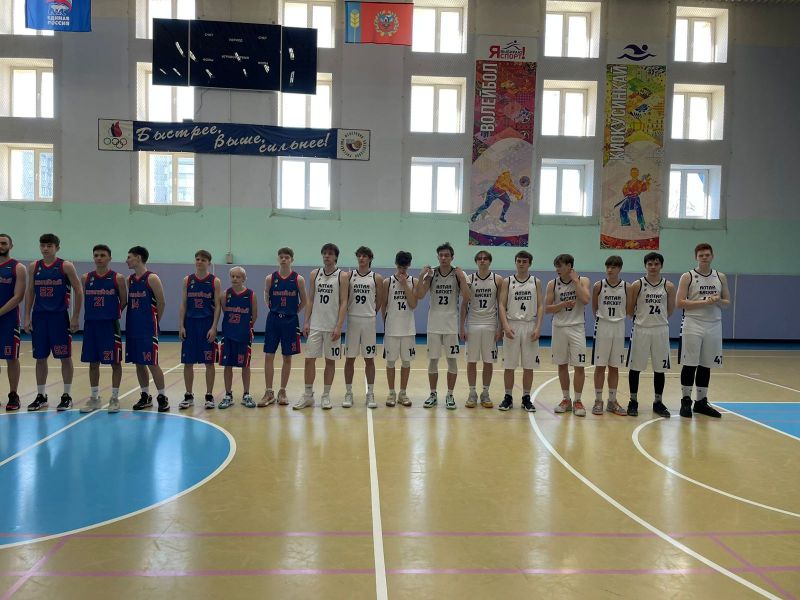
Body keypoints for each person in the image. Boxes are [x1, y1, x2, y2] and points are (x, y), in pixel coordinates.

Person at [23, 233, 83, 411]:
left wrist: (75, 316)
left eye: (49, 245)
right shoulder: (34, 266)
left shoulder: (65, 266)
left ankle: (66, 395)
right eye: (43, 245)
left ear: (57, 247)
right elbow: (30, 291)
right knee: (40, 357)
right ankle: (41, 395)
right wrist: (26, 316)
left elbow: (78, 290)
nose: (45, 249)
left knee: (65, 357)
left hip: (59, 317)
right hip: (39, 317)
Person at [415, 242, 472, 410]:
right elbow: (420, 295)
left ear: (452, 257)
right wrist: (421, 276)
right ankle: (433, 394)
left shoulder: (459, 274)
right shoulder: (432, 273)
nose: (444, 258)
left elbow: (467, 297)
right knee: (433, 360)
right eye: (441, 255)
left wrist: (462, 279)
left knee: (452, 361)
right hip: (433, 324)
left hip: (451, 326)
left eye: (447, 255)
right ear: (438, 257)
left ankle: (450, 395)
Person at [677, 243, 729, 419]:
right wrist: (704, 302)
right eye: (701, 255)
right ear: (696, 257)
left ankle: (700, 402)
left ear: (712, 256)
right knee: (690, 363)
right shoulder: (688, 276)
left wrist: (717, 300)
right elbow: (679, 303)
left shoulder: (720, 277)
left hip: (713, 324)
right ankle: (685, 400)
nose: (704, 258)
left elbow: (727, 302)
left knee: (706, 364)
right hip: (693, 323)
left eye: (707, 255)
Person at [296, 243, 348, 410]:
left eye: (330, 253)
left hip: (332, 326)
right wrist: (306, 321)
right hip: (316, 325)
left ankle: (326, 395)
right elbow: (310, 299)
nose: (327, 256)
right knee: (309, 360)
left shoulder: (342, 276)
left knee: (330, 362)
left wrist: (339, 326)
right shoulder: (315, 274)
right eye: (324, 253)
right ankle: (308, 395)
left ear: (336, 257)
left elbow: (344, 302)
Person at [626, 252, 676, 418]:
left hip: (660, 329)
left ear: (661, 265)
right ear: (645, 266)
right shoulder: (637, 285)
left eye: (656, 264)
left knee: (660, 368)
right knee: (635, 367)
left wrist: (658, 320)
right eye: (650, 264)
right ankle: (633, 401)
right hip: (641, 329)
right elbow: (629, 309)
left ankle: (658, 402)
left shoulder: (669, 286)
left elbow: (670, 310)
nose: (653, 267)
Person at [79, 245, 127, 413]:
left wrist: (110, 312)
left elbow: (123, 301)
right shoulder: (86, 278)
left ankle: (114, 397)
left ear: (109, 258)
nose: (99, 258)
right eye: (96, 255)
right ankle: (94, 398)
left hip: (109, 326)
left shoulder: (118, 278)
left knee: (115, 362)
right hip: (91, 325)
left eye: (102, 255)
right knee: (93, 363)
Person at [545, 254, 591, 417]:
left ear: (569, 266)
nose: (557, 269)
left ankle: (578, 400)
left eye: (560, 266)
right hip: (559, 328)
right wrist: (562, 305)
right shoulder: (553, 284)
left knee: (579, 365)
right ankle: (566, 399)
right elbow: (547, 308)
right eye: (556, 266)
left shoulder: (583, 280)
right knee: (562, 364)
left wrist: (576, 281)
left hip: (577, 327)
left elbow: (585, 300)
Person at [260, 247, 306, 407]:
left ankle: (282, 391)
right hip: (273, 320)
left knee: (287, 357)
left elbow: (304, 301)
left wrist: (293, 312)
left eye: (287, 257)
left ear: (292, 259)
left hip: (290, 321)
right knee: (269, 355)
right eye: (281, 257)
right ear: (278, 259)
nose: (284, 259)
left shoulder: (298, 279)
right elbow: (266, 296)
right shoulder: (270, 278)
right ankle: (269, 392)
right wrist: (274, 309)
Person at [125, 246, 170, 412]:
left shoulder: (152, 278)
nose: (127, 260)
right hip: (132, 327)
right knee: (138, 363)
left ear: (138, 258)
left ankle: (162, 396)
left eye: (129, 257)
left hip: (148, 328)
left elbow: (162, 302)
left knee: (152, 363)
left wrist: (155, 322)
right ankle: (145, 395)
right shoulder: (130, 279)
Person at [498, 251, 543, 412]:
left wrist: (538, 327)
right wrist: (505, 325)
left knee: (528, 366)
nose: (521, 264)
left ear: (530, 263)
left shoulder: (535, 282)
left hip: (529, 325)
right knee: (509, 365)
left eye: (524, 261)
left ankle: (526, 397)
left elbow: (540, 305)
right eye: (519, 261)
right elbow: (501, 305)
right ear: (515, 262)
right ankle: (508, 397)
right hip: (512, 324)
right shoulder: (508, 281)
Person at [179, 250, 222, 410]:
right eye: (197, 259)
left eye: (203, 260)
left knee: (209, 363)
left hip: (206, 324)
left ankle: (209, 395)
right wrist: (181, 325)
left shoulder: (214, 281)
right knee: (188, 362)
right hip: (190, 324)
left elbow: (218, 306)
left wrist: (214, 327)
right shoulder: (187, 280)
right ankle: (188, 395)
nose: (199, 262)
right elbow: (184, 304)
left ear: (209, 263)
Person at [460, 250, 502, 408]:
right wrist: (462, 327)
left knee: (488, 361)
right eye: (479, 258)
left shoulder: (497, 279)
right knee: (471, 361)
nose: (482, 261)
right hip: (473, 324)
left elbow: (501, 305)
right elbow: (464, 305)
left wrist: (500, 327)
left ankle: (485, 393)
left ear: (490, 261)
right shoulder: (469, 280)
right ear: (476, 261)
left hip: (490, 325)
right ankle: (472, 393)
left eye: (485, 258)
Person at [344, 246, 385, 409]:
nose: (361, 258)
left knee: (369, 359)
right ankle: (348, 392)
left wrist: (372, 312)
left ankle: (371, 393)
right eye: (359, 256)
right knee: (349, 359)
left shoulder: (376, 277)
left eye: (364, 256)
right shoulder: (349, 276)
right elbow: (344, 298)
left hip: (368, 321)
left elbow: (379, 300)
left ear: (370, 259)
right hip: (353, 320)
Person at [591, 256, 628, 416]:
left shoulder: (627, 287)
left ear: (619, 268)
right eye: (608, 267)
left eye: (613, 267)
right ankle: (598, 400)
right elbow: (594, 307)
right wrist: (602, 319)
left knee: (614, 366)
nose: (610, 270)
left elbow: (629, 308)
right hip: (603, 326)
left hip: (619, 326)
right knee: (600, 366)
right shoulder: (598, 286)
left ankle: (612, 401)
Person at [218, 267, 257, 409]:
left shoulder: (251, 295)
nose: (235, 279)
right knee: (227, 365)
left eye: (238, 276)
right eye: (233, 276)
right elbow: (225, 311)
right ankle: (228, 395)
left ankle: (246, 394)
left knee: (245, 365)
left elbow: (254, 315)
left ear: (244, 279)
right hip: (228, 334)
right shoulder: (225, 295)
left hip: (243, 335)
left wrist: (245, 327)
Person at [382, 251, 416, 407]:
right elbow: (383, 305)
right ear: (396, 264)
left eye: (405, 266)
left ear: (409, 265)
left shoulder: (413, 281)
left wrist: (405, 285)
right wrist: (387, 323)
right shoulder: (387, 282)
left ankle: (403, 393)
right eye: (400, 266)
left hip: (408, 329)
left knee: (406, 362)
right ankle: (391, 393)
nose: (402, 269)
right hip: (391, 329)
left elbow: (413, 304)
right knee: (390, 362)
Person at [0, 234, 26, 411]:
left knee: (11, 358)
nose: (0, 246)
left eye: (4, 243)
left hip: (8, 320)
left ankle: (13, 394)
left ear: (11, 245)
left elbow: (18, 297)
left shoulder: (18, 268)